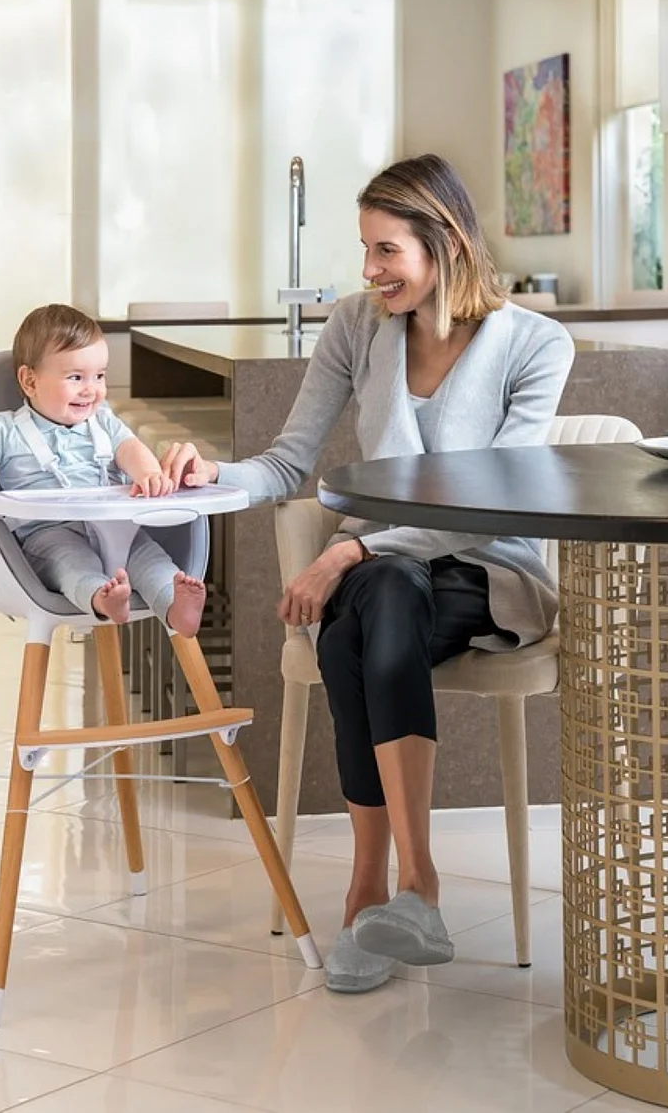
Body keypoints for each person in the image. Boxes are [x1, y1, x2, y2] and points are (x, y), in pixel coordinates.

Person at [161, 154, 574, 992]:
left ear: (444, 243)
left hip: (483, 566)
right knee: (382, 597)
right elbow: (286, 463)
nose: (369, 271)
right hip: (388, 572)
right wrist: (212, 474)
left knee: (362, 606)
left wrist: (350, 546)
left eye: (387, 251)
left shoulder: (535, 342)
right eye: (365, 250)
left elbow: (490, 496)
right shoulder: (356, 326)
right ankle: (412, 891)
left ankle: (370, 891)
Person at [0, 303, 209, 637]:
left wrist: (148, 472)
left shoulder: (102, 421)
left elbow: (131, 449)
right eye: (76, 378)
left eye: (99, 376)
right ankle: (102, 599)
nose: (91, 389)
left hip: (117, 528)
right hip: (48, 534)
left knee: (148, 558)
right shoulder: (4, 428)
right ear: (30, 380)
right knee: (71, 564)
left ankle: (175, 605)